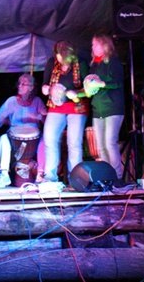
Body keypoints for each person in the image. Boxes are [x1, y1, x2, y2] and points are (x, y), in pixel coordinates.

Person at [40, 40, 89, 184]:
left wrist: (76, 93)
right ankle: (50, 177)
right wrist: (46, 89)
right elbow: (45, 83)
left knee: (74, 143)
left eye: (62, 56)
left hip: (76, 107)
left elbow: (88, 89)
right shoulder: (52, 62)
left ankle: (76, 179)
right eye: (58, 55)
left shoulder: (81, 63)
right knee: (49, 138)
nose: (59, 58)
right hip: (56, 106)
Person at [0, 73, 47, 188]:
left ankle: (40, 173)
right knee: (3, 138)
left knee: (45, 140)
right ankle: (4, 175)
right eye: (19, 83)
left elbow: (46, 120)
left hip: (33, 142)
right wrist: (11, 123)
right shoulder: (11, 101)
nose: (20, 86)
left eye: (24, 84)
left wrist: (39, 117)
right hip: (16, 145)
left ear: (31, 87)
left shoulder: (37, 101)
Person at [87, 34, 125, 179]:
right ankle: (107, 176)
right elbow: (90, 87)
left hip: (113, 108)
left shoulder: (113, 62)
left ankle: (117, 177)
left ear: (105, 45)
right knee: (101, 147)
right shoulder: (94, 65)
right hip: (98, 109)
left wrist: (101, 84)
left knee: (110, 143)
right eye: (92, 45)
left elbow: (118, 82)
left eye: (96, 44)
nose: (93, 47)